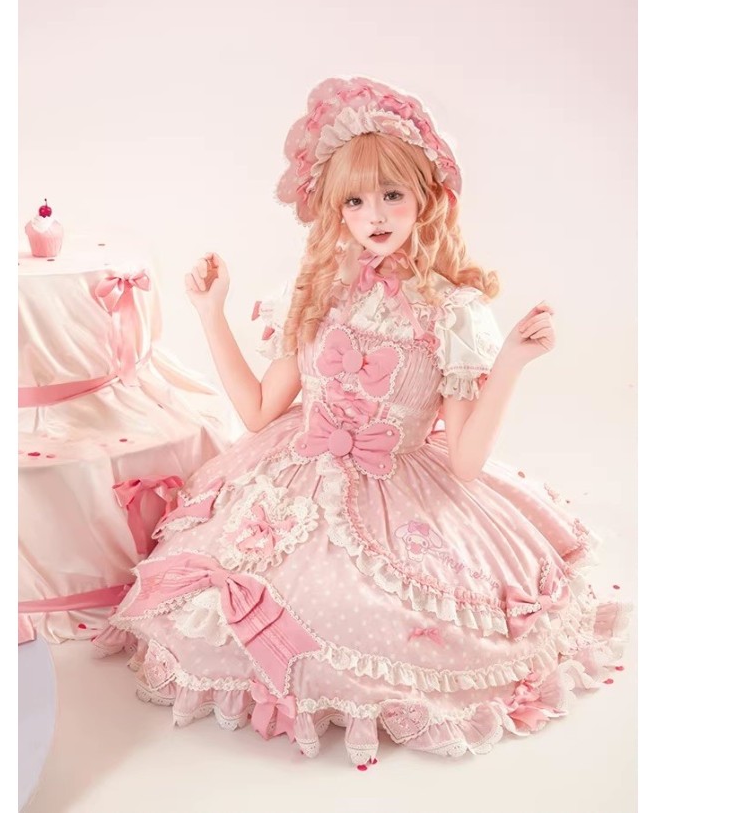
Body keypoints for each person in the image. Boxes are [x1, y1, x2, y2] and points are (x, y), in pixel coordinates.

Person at [94, 76, 630, 764]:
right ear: (333, 209)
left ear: (426, 198)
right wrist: (210, 313)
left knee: (371, 612)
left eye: (391, 195)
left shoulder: (453, 310)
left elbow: (466, 461)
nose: (373, 215)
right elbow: (258, 412)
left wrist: (510, 366)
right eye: (355, 200)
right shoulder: (317, 288)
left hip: (397, 484)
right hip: (292, 475)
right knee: (241, 591)